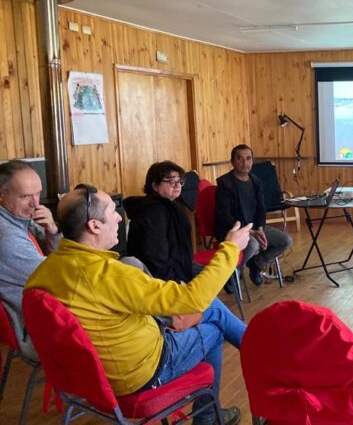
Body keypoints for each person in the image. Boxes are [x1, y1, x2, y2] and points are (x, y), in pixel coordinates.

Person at [25, 184, 252, 425]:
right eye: (112, 211)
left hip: (90, 379)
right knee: (214, 331)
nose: (119, 219)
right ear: (94, 226)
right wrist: (230, 248)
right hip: (138, 375)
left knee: (209, 309)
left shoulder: (46, 270)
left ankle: (255, 349)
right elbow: (192, 299)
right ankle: (209, 417)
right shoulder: (108, 274)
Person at [0, 160, 61, 360]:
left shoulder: (19, 219)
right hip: (40, 328)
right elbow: (60, 277)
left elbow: (56, 261)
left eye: (38, 193)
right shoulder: (8, 238)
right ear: (1, 195)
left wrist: (53, 231)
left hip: (47, 310)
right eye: (25, 196)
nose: (35, 204)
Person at [215, 144, 293, 286]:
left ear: (252, 160)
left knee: (285, 240)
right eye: (240, 159)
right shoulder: (224, 183)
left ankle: (256, 264)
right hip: (232, 230)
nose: (244, 162)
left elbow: (261, 209)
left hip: (255, 227)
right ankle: (233, 272)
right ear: (232, 161)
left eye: (248, 158)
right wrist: (249, 232)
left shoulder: (256, 181)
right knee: (253, 244)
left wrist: (261, 228)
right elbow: (224, 216)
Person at [126, 161, 199, 282]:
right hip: (159, 278)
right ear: (155, 186)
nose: (177, 186)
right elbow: (156, 258)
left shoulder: (173, 207)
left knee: (217, 275)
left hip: (179, 267)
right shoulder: (153, 212)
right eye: (172, 181)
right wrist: (177, 284)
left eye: (179, 181)